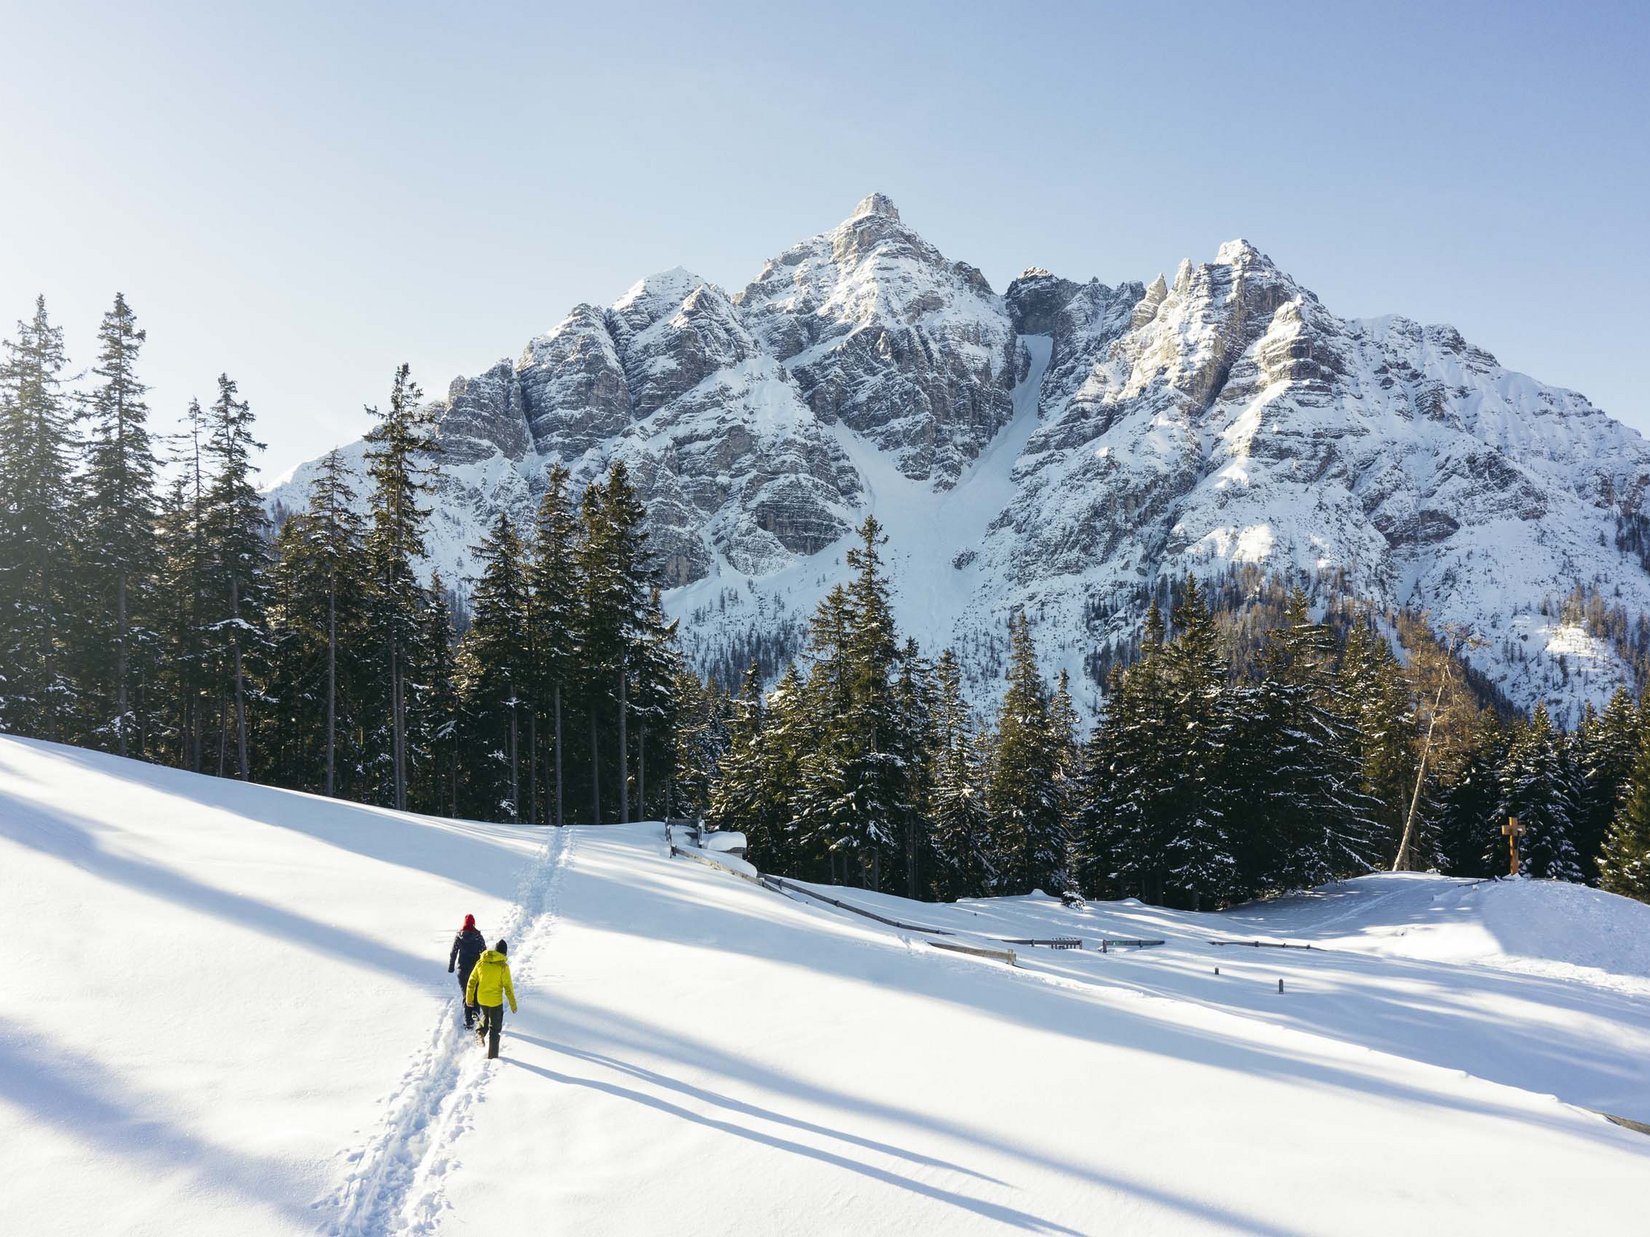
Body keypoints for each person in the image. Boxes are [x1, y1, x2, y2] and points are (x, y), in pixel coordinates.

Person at [464, 938, 517, 1060]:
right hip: (495, 1001)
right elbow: (508, 987)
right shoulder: (503, 967)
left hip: (482, 999)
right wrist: (513, 1004)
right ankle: (492, 1058)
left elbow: (471, 982)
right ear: (504, 953)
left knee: (486, 1016)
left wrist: (469, 998)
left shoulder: (481, 962)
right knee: (495, 1029)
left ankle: (480, 1031)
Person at [448, 914, 487, 1029]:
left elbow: (453, 952)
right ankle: (475, 1011)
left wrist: (451, 967)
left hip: (462, 970)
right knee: (476, 993)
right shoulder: (478, 936)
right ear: (473, 923)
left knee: (466, 995)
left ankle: (468, 1021)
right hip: (476, 969)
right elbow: (484, 952)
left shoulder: (459, 936)